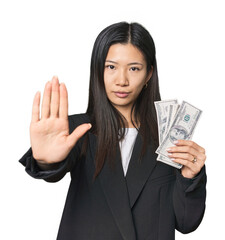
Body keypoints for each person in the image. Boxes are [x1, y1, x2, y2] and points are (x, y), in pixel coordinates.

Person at [19, 22, 207, 240]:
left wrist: (190, 177)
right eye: (111, 67)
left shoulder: (170, 139)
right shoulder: (77, 131)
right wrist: (45, 162)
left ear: (149, 75)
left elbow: (186, 223)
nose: (122, 80)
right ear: (98, 71)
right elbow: (54, 168)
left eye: (134, 68)